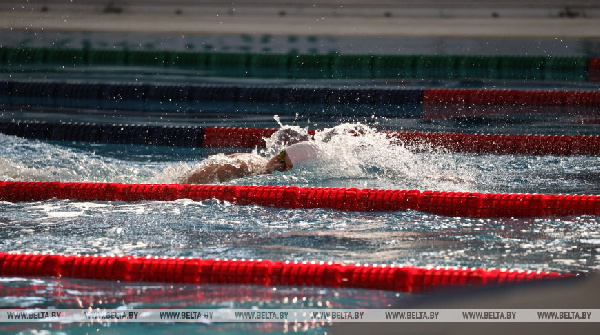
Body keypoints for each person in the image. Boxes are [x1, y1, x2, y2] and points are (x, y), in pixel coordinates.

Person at [179, 141, 319, 184]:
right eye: (279, 157)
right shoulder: (246, 166)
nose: (276, 164)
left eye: (283, 167)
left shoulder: (257, 164)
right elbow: (188, 183)